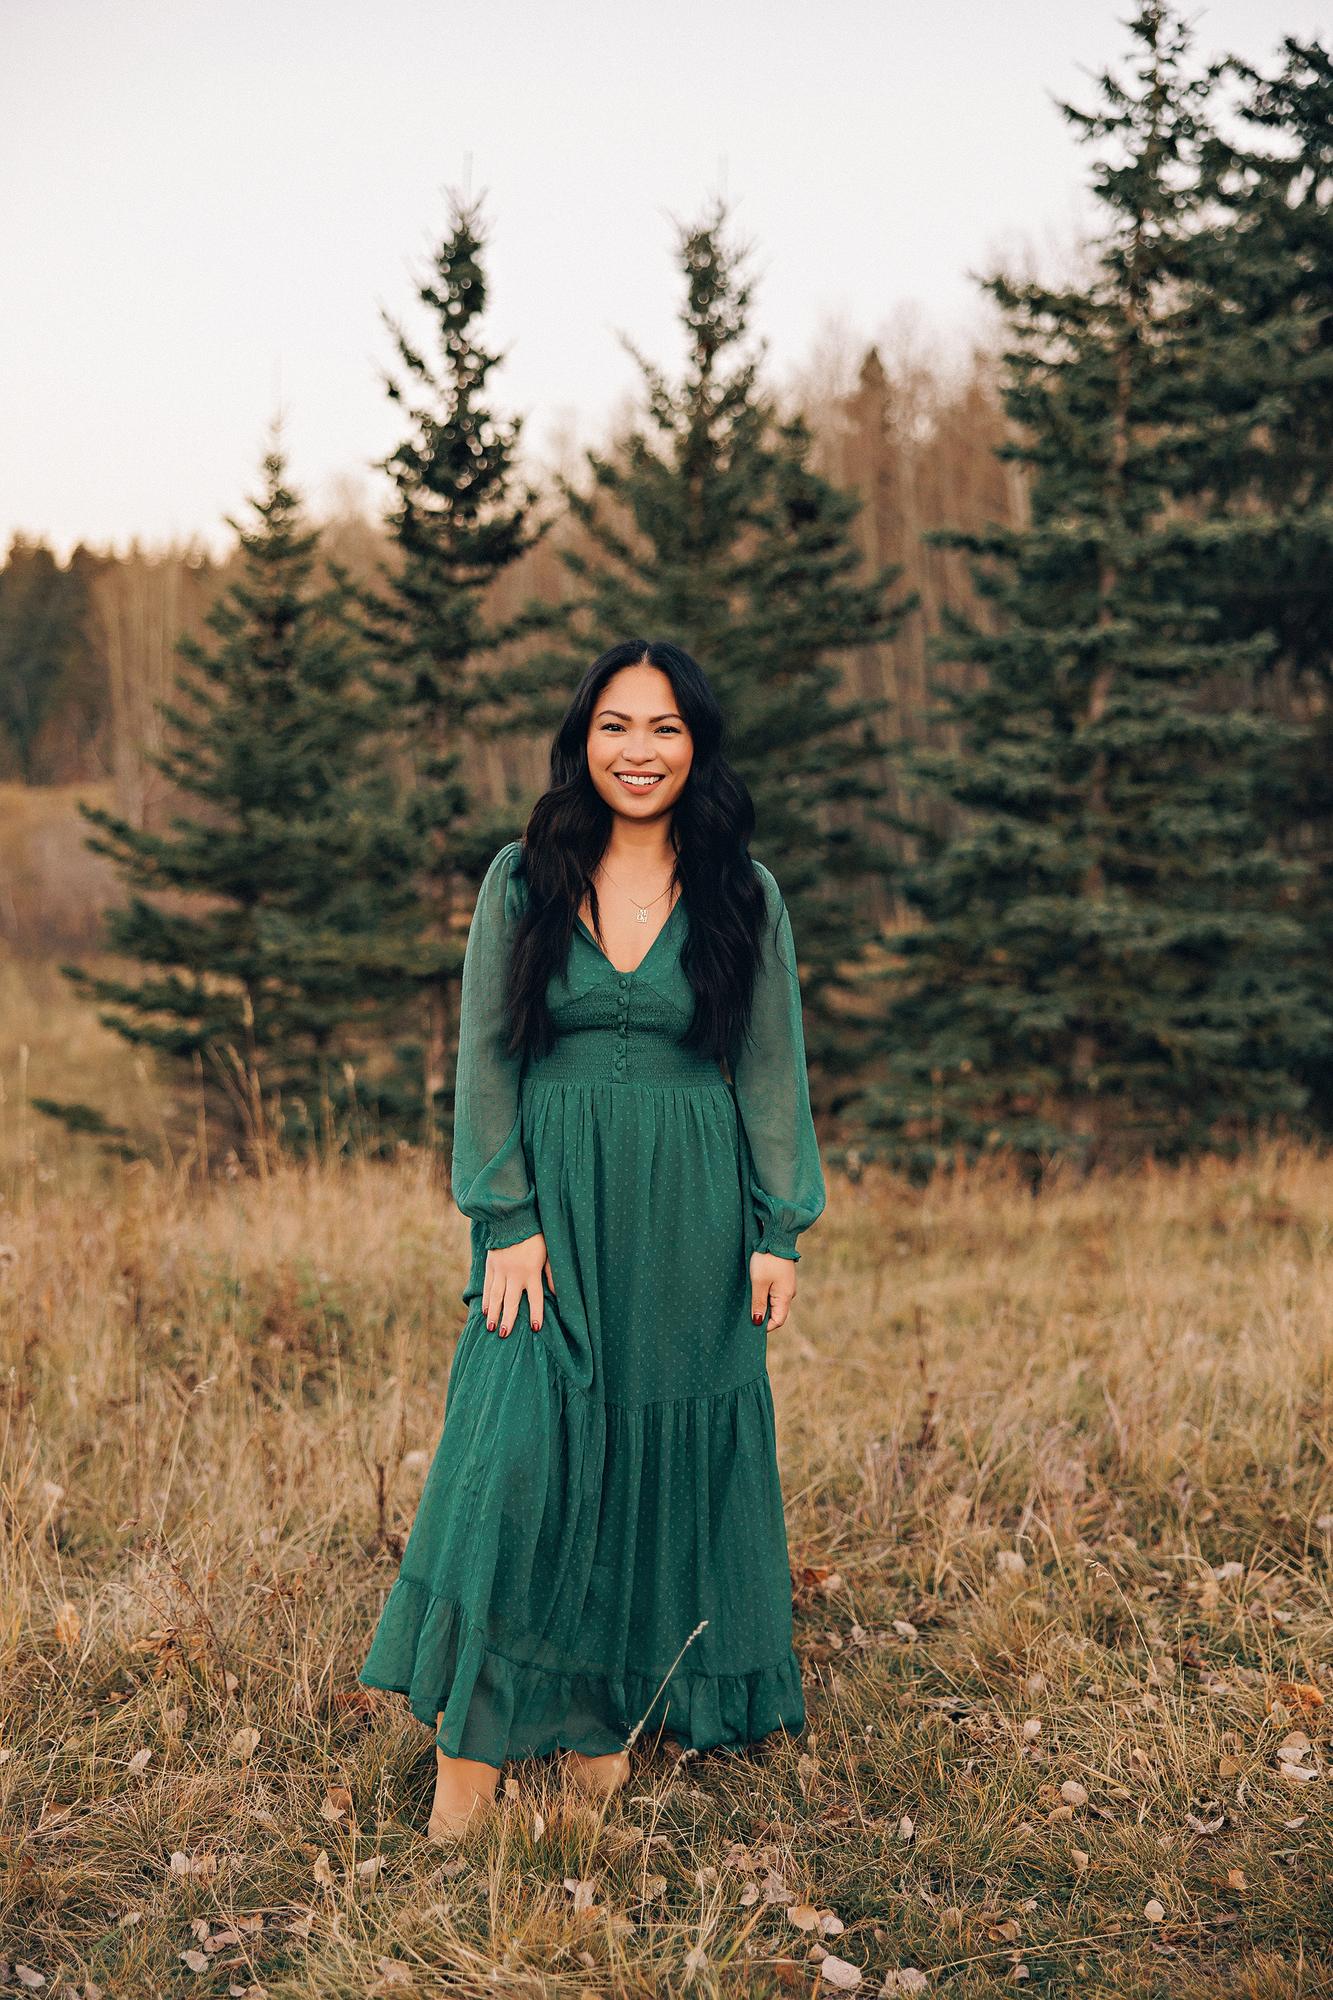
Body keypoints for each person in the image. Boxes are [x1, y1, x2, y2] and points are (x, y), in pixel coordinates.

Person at [359, 638, 827, 1838]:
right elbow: (484, 1055)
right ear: (583, 739)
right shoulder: (524, 876)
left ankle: (594, 1739)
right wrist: (503, 1213)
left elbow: (771, 1066)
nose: (639, 750)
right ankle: (469, 1755)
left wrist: (779, 1226)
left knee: (646, 1461)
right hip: (549, 1212)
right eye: (617, 725)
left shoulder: (741, 889)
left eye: (664, 727)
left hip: (691, 1216)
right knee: (518, 1460)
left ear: (695, 746)